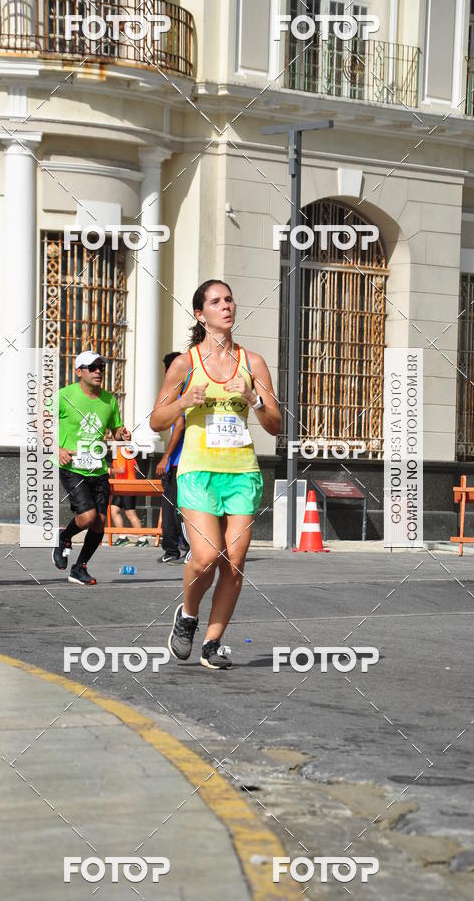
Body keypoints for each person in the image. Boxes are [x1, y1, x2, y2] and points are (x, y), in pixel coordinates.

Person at [151, 280, 282, 669]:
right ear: (200, 314)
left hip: (241, 472)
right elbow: (157, 420)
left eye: (229, 299)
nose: (226, 306)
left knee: (234, 562)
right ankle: (188, 615)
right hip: (198, 471)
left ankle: (212, 643)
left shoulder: (253, 363)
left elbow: (275, 424)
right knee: (206, 556)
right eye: (215, 301)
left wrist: (253, 398)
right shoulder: (185, 364)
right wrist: (183, 401)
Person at [53, 350, 131, 585]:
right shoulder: (64, 396)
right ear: (78, 371)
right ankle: (64, 537)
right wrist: (57, 449)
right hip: (72, 466)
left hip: (97, 468)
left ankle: (79, 568)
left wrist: (122, 434)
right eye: (92, 367)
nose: (98, 371)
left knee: (99, 522)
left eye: (101, 367)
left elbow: (116, 431)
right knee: (87, 517)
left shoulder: (109, 400)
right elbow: (40, 426)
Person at [156, 351, 188, 565]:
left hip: (178, 461)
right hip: (191, 460)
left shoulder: (178, 396)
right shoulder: (190, 393)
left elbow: (179, 425)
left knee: (172, 507)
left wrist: (165, 457)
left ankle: (174, 549)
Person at [109, 452, 149, 547]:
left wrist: (109, 470)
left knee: (130, 514)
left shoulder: (120, 453)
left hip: (126, 486)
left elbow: (121, 470)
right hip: (121, 486)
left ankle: (142, 539)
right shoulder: (128, 453)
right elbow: (137, 469)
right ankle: (122, 537)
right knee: (114, 510)